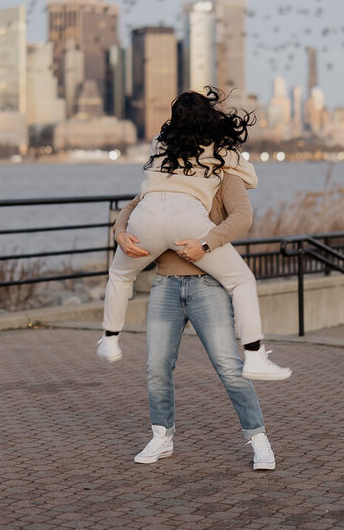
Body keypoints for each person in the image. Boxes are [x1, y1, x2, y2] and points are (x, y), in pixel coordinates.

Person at [97, 87, 290, 380]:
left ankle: (110, 340)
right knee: (241, 281)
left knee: (121, 275)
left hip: (145, 217)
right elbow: (251, 178)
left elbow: (142, 194)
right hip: (186, 219)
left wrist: (121, 231)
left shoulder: (158, 145)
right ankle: (254, 355)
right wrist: (222, 161)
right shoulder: (219, 148)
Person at [116, 173, 277, 470]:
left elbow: (242, 217)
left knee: (228, 367)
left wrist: (205, 244)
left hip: (207, 286)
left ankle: (259, 440)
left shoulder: (224, 173)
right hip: (165, 284)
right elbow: (135, 203)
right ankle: (161, 436)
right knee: (156, 367)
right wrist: (120, 231)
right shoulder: (169, 170)